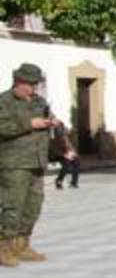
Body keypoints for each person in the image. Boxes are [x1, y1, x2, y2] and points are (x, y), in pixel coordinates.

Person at [0, 63, 60, 267]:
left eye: (36, 84)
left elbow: (46, 121)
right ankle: (4, 248)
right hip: (14, 164)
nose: (34, 88)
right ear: (19, 82)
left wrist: (52, 122)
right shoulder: (4, 102)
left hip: (37, 161)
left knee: (33, 206)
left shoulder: (39, 102)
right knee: (13, 206)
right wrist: (29, 124)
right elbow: (2, 128)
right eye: (31, 84)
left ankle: (22, 244)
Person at [52, 124, 80, 190]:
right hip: (57, 155)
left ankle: (73, 183)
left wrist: (74, 153)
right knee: (66, 164)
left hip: (66, 153)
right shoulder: (55, 137)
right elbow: (54, 149)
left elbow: (69, 146)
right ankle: (59, 181)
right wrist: (64, 155)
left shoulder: (65, 137)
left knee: (76, 161)